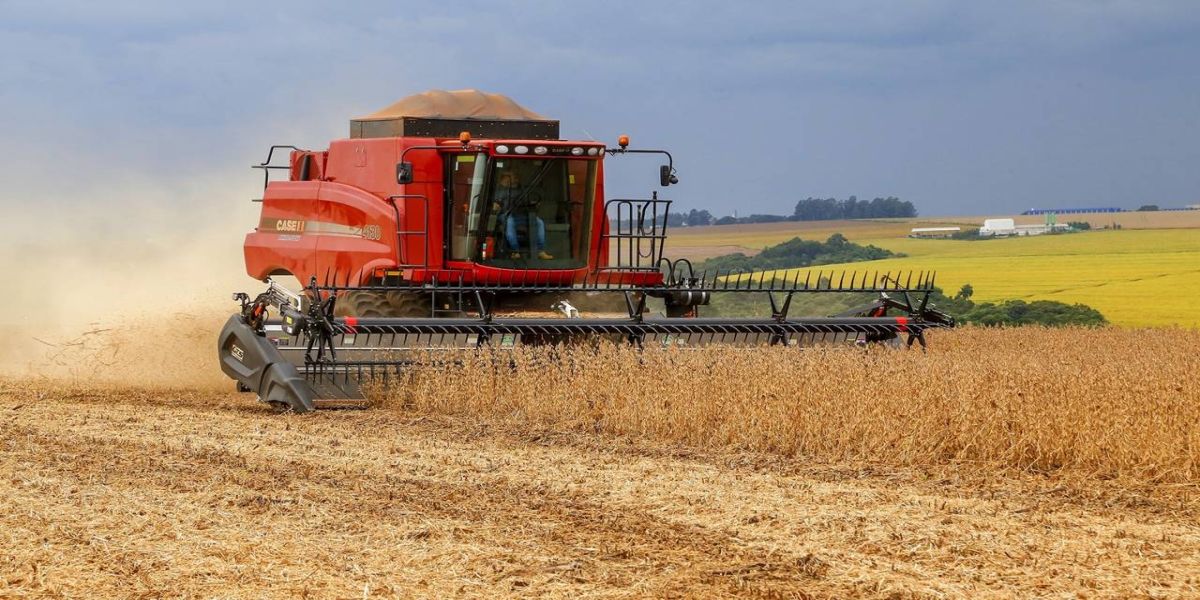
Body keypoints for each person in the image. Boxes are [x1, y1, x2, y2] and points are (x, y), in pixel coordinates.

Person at [494, 170, 553, 259]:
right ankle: (515, 251)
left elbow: (527, 201)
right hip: (506, 215)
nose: (514, 179)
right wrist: (496, 206)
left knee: (539, 222)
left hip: (521, 214)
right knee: (510, 221)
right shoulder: (499, 191)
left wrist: (533, 203)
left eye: (514, 177)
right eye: (510, 177)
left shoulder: (522, 190)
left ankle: (540, 251)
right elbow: (495, 205)